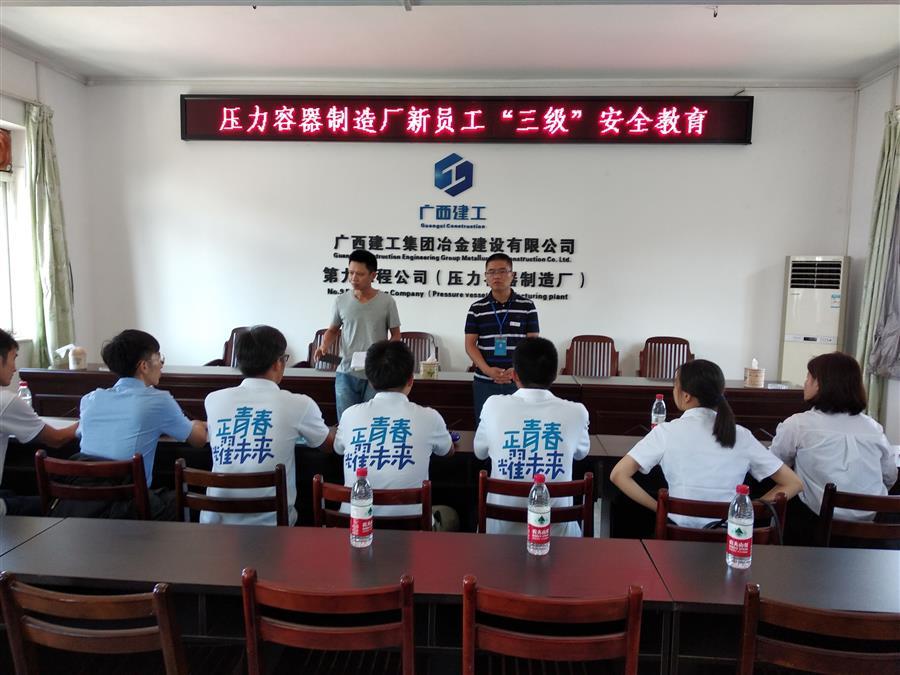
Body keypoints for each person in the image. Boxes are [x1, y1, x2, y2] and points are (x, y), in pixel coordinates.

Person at [610, 359, 802, 528]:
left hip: (677, 539)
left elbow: (618, 474)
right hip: (728, 540)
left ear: (686, 396)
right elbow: (794, 483)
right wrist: (748, 510)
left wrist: (660, 508)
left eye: (675, 385)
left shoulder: (666, 432)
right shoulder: (741, 436)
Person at [204, 325, 333, 526]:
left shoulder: (213, 400)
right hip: (273, 528)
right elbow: (328, 445)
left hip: (216, 528)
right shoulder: (299, 404)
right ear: (277, 363)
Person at [770, 352, 898, 544]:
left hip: (815, 530)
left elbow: (773, 465)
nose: (805, 383)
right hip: (871, 534)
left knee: (786, 492)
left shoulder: (798, 425)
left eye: (809, 377)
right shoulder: (873, 428)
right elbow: (889, 477)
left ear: (821, 384)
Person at [78, 329, 207, 519]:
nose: (161, 365)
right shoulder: (157, 401)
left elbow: (84, 434)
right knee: (191, 500)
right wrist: (197, 423)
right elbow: (199, 440)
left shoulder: (90, 399)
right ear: (144, 366)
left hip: (82, 505)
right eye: (159, 358)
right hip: (127, 509)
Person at [474, 337, 589, 537]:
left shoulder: (493, 405)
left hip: (498, 537)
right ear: (555, 375)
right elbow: (581, 453)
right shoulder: (577, 412)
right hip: (559, 538)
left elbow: (479, 452)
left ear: (514, 375)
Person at [335, 340, 453, 518]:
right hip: (411, 530)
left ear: (370, 381)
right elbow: (447, 451)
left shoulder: (349, 415)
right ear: (411, 380)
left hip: (354, 526)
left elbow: (338, 449)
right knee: (451, 515)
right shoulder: (430, 417)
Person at [315, 249, 401, 421]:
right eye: (351, 272)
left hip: (375, 374)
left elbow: (396, 335)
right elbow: (333, 330)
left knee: (373, 421)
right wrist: (324, 346)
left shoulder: (387, 302)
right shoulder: (341, 300)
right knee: (347, 421)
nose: (354, 278)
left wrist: (386, 358)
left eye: (360, 274)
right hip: (346, 372)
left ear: (373, 275)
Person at [0, 329, 78, 516]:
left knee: (11, 492)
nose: (14, 368)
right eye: (13, 358)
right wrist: (86, 422)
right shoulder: (5, 402)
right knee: (59, 504)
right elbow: (57, 439)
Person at [465, 253, 539, 425]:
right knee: (486, 426)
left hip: (518, 381)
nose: (496, 276)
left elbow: (532, 344)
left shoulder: (527, 306)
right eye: (491, 272)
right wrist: (488, 370)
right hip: (485, 382)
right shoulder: (477, 308)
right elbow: (470, 345)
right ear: (485, 276)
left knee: (518, 427)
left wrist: (516, 369)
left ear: (512, 275)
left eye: (502, 271)